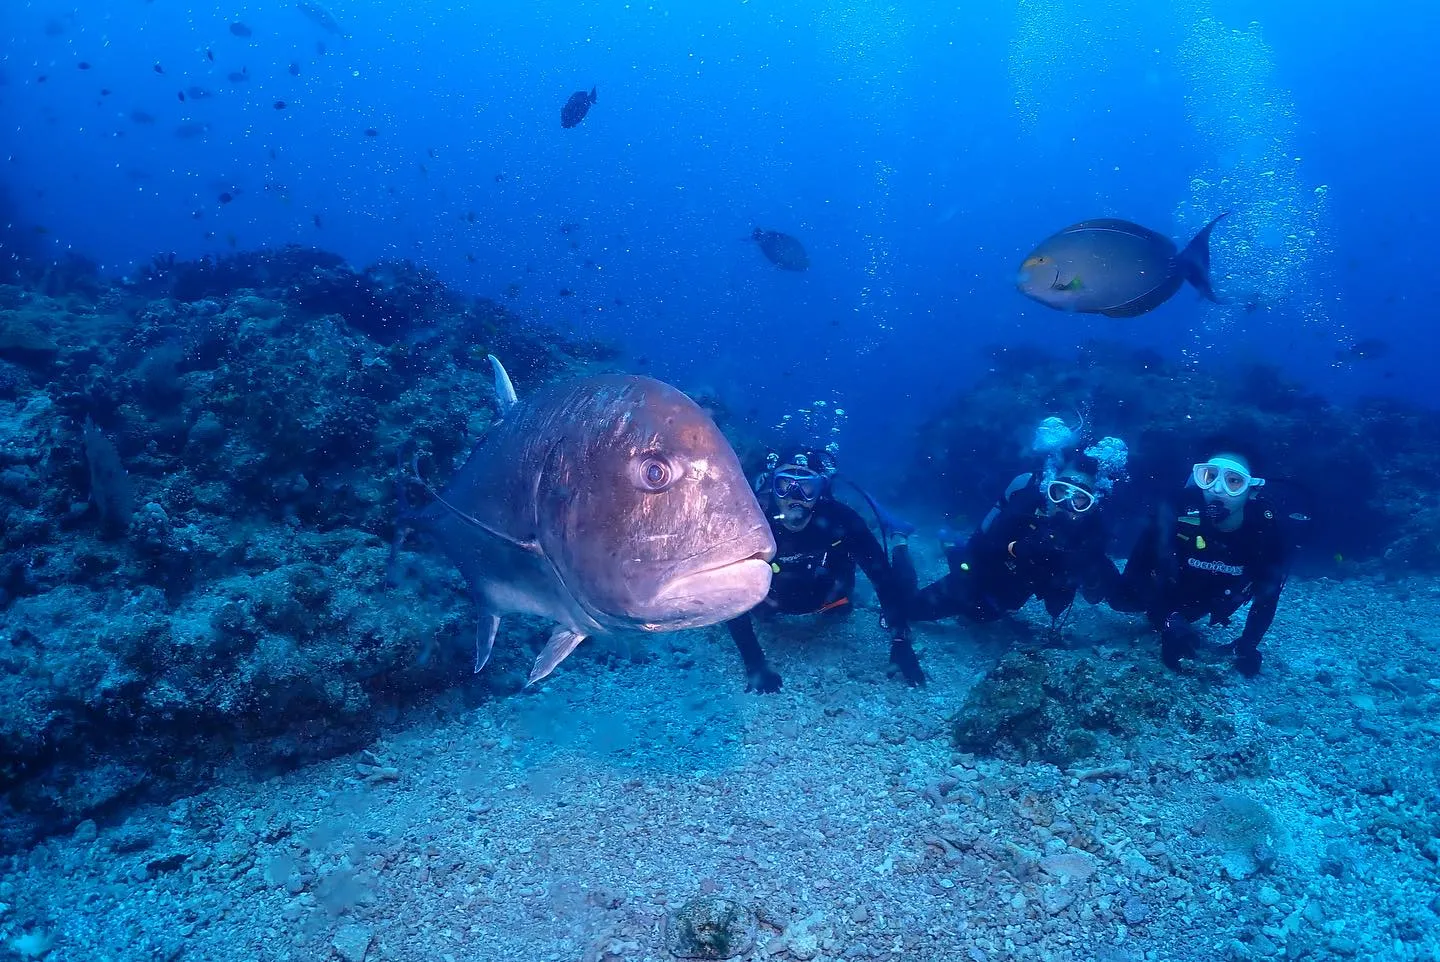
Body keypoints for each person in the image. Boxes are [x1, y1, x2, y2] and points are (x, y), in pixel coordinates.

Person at [725, 446, 924, 692]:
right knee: (759, 611)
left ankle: (899, 540)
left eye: (806, 487)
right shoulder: (751, 522)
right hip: (773, 603)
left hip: (831, 600)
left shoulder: (842, 520)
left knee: (904, 590)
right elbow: (727, 592)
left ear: (821, 489)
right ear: (771, 485)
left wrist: (900, 639)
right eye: (784, 484)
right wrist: (754, 662)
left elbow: (881, 575)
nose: (793, 496)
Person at [1109, 443, 1292, 676]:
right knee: (1121, 598)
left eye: (1233, 481)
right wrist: (1168, 619)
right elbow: (1137, 573)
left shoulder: (1266, 531)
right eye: (1210, 476)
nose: (1217, 489)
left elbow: (1267, 596)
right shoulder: (1175, 513)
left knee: (1191, 615)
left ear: (1252, 489)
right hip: (1168, 591)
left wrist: (1248, 644)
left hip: (1212, 602)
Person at [899, 444, 1123, 628]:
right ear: (1049, 486)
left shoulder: (1092, 530)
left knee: (984, 615)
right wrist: (1021, 548)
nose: (1065, 504)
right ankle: (901, 539)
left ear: (1092, 502)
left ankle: (951, 546)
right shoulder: (1028, 501)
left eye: (1079, 498)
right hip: (980, 572)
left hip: (1013, 593)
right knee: (911, 608)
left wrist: (1083, 568)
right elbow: (984, 546)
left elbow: (1095, 593)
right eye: (1060, 490)